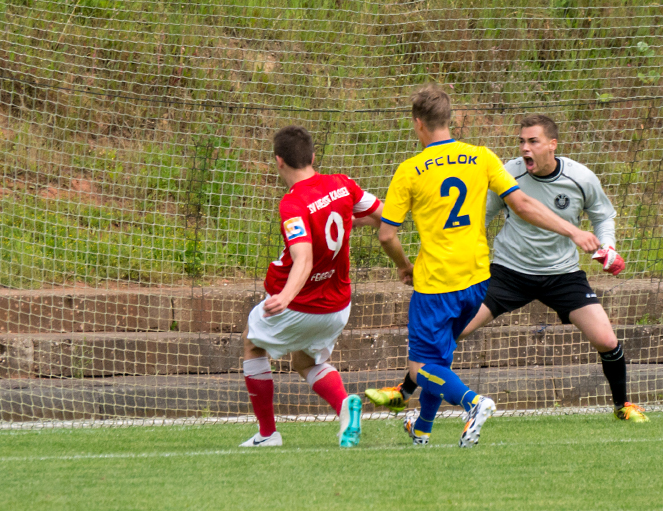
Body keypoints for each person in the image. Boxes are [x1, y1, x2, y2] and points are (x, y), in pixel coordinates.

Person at [367, 86, 600, 447]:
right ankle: (422, 428)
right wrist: (573, 230)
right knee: (439, 359)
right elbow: (522, 203)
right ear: (451, 120)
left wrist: (403, 265)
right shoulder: (480, 157)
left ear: (418, 124)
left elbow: (386, 235)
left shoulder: (411, 170)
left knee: (421, 367)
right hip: (477, 279)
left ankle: (473, 403)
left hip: (436, 282)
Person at [451, 114, 646, 421]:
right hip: (508, 272)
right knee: (454, 330)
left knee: (607, 340)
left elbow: (603, 214)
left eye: (533, 141)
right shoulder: (507, 175)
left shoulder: (580, 177)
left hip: (563, 275)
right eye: (521, 141)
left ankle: (623, 407)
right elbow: (480, 219)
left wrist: (608, 247)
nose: (524, 148)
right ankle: (407, 389)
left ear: (552, 145)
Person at [240, 125, 383, 448]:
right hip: (337, 306)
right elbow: (384, 215)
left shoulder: (292, 205)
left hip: (298, 304)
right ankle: (345, 406)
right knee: (306, 362)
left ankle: (267, 434)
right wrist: (349, 219)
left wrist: (285, 297)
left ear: (279, 161)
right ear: (313, 156)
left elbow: (302, 258)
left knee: (251, 343)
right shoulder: (342, 185)